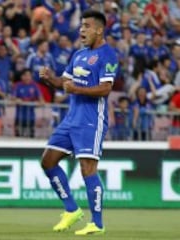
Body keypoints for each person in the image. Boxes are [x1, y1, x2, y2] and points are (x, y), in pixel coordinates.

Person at [39, 9, 118, 235]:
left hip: (91, 120)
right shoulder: (79, 55)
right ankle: (72, 209)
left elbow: (105, 89)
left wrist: (76, 88)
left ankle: (97, 223)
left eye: (87, 26)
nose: (82, 30)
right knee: (48, 161)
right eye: (81, 26)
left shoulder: (108, 55)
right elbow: (64, 83)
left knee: (87, 169)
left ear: (99, 30)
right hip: (71, 119)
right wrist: (49, 79)